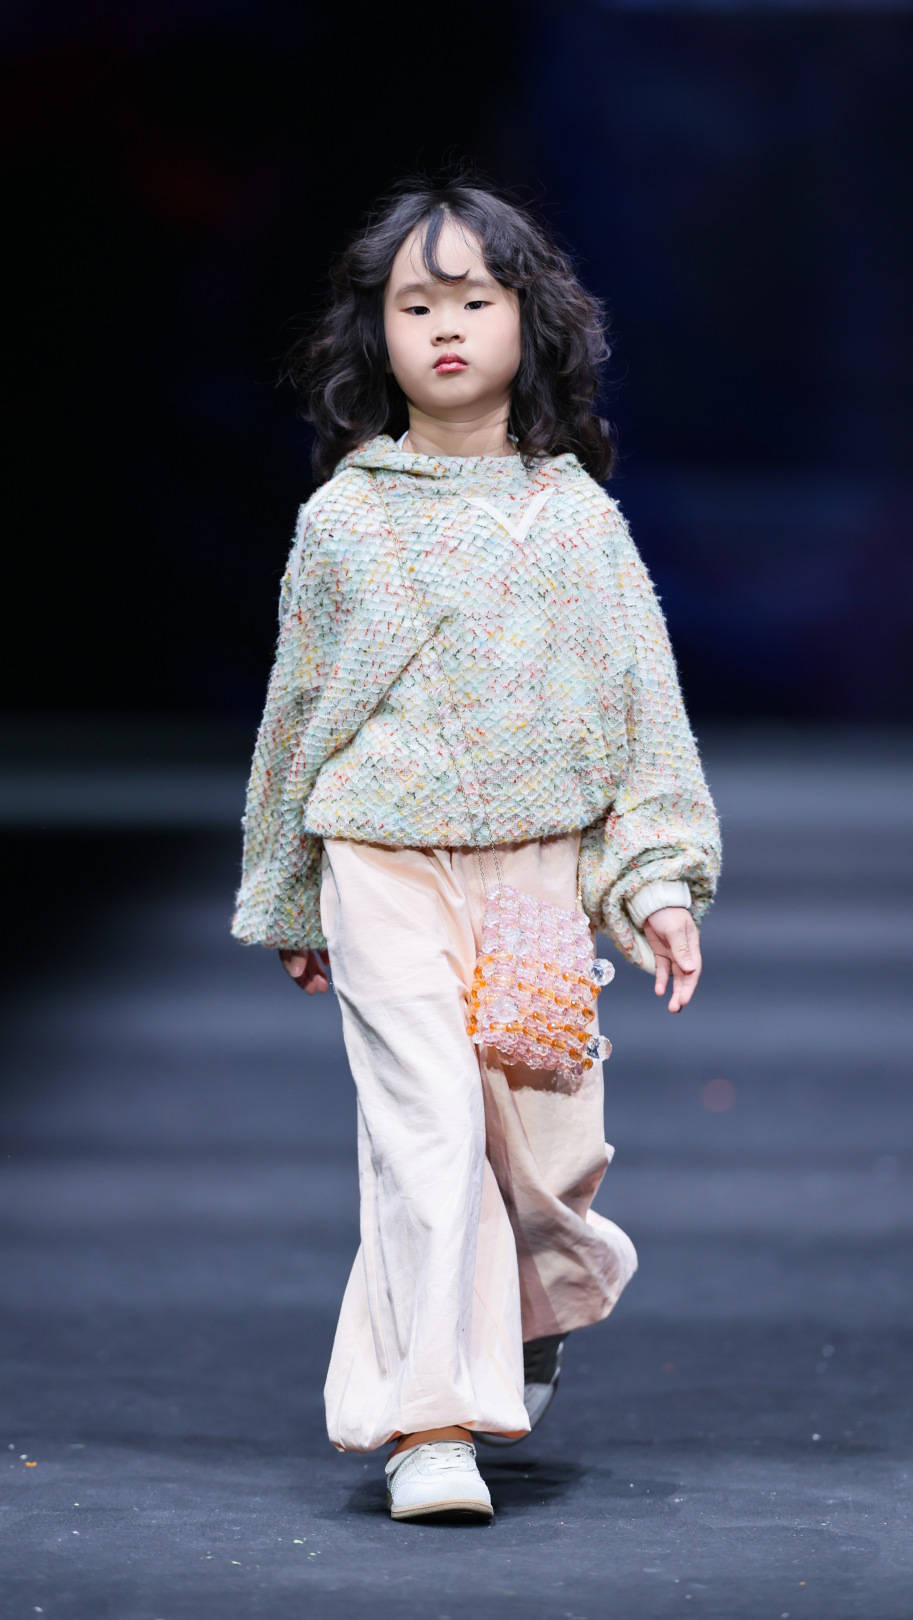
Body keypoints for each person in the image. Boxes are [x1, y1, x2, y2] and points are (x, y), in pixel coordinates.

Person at [231, 171, 722, 1523]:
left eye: (474, 299)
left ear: (529, 321)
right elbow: (295, 717)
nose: (445, 326)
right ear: (374, 335)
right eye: (415, 305)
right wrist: (290, 891)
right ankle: (430, 1425)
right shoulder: (342, 519)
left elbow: (642, 717)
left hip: (533, 873)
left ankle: (526, 1295)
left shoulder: (574, 517)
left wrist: (657, 882)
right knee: (428, 1136)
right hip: (380, 860)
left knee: (544, 1158)